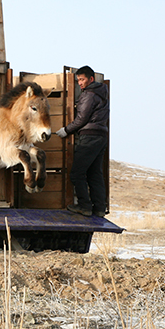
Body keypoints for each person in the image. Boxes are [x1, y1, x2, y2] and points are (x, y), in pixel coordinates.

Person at [56, 66, 110, 217]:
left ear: (91, 79)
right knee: (95, 174)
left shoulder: (89, 95)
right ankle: (99, 208)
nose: (79, 83)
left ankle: (85, 206)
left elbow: (82, 119)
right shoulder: (102, 94)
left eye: (82, 79)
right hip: (101, 137)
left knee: (77, 173)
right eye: (78, 80)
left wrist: (66, 130)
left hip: (89, 137)